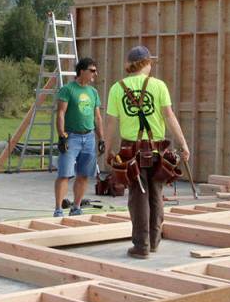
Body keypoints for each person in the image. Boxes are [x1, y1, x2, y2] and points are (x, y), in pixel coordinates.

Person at [103, 46, 190, 259]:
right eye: (151, 62)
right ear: (145, 64)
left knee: (138, 196)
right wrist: (183, 143)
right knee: (156, 194)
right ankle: (153, 241)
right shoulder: (158, 86)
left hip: (129, 149)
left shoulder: (117, 88)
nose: (152, 66)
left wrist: (106, 149)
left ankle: (141, 245)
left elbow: (111, 123)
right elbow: (169, 117)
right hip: (156, 148)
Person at [54, 57, 104, 217]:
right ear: (81, 71)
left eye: (96, 71)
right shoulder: (68, 89)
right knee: (65, 174)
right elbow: (61, 113)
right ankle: (58, 209)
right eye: (92, 71)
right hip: (72, 137)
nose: (95, 74)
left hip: (88, 137)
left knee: (83, 175)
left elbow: (97, 117)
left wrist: (101, 138)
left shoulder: (93, 92)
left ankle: (76, 207)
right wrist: (62, 135)